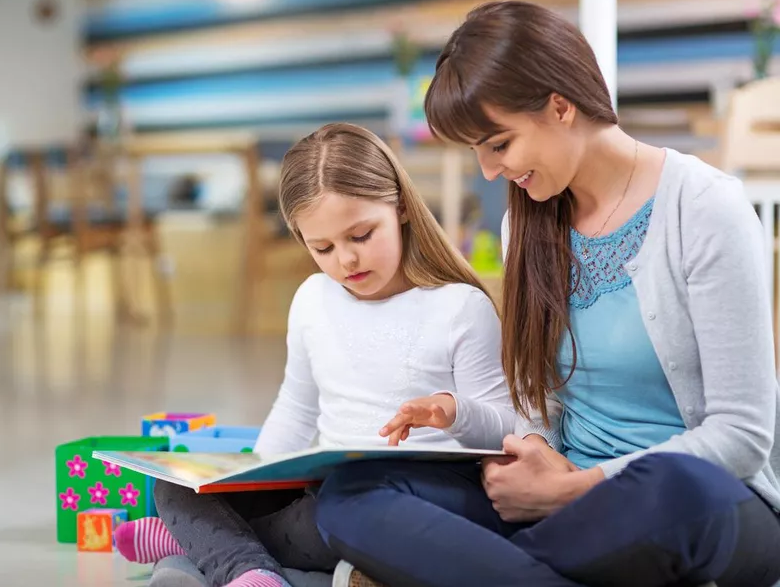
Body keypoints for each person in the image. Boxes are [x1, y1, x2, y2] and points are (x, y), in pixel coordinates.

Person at [314, 1, 780, 587]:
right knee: (351, 494)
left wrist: (572, 489)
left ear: (561, 106)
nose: (488, 171)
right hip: (565, 511)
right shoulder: (527, 224)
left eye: (499, 144)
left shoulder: (705, 207)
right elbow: (541, 396)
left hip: (695, 503)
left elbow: (741, 436)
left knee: (676, 492)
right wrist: (533, 447)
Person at [113, 122, 527, 587]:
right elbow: (296, 405)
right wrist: (251, 476)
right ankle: (248, 568)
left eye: (362, 235)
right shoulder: (312, 298)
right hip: (322, 490)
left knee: (342, 511)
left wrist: (452, 412)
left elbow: (506, 429)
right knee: (174, 484)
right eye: (323, 247)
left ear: (402, 209)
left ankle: (207, 547)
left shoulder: (458, 307)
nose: (346, 261)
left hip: (409, 500)